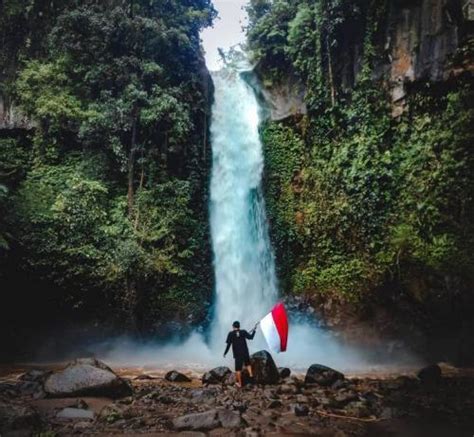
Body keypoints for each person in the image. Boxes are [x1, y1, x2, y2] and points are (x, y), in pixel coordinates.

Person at [224, 320, 258, 388]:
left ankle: (240, 384)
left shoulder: (231, 334)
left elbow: (228, 345)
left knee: (238, 369)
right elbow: (251, 337)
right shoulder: (243, 332)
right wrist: (254, 330)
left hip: (237, 354)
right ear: (239, 326)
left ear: (233, 326)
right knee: (248, 364)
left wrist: (225, 353)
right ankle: (251, 377)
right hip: (245, 352)